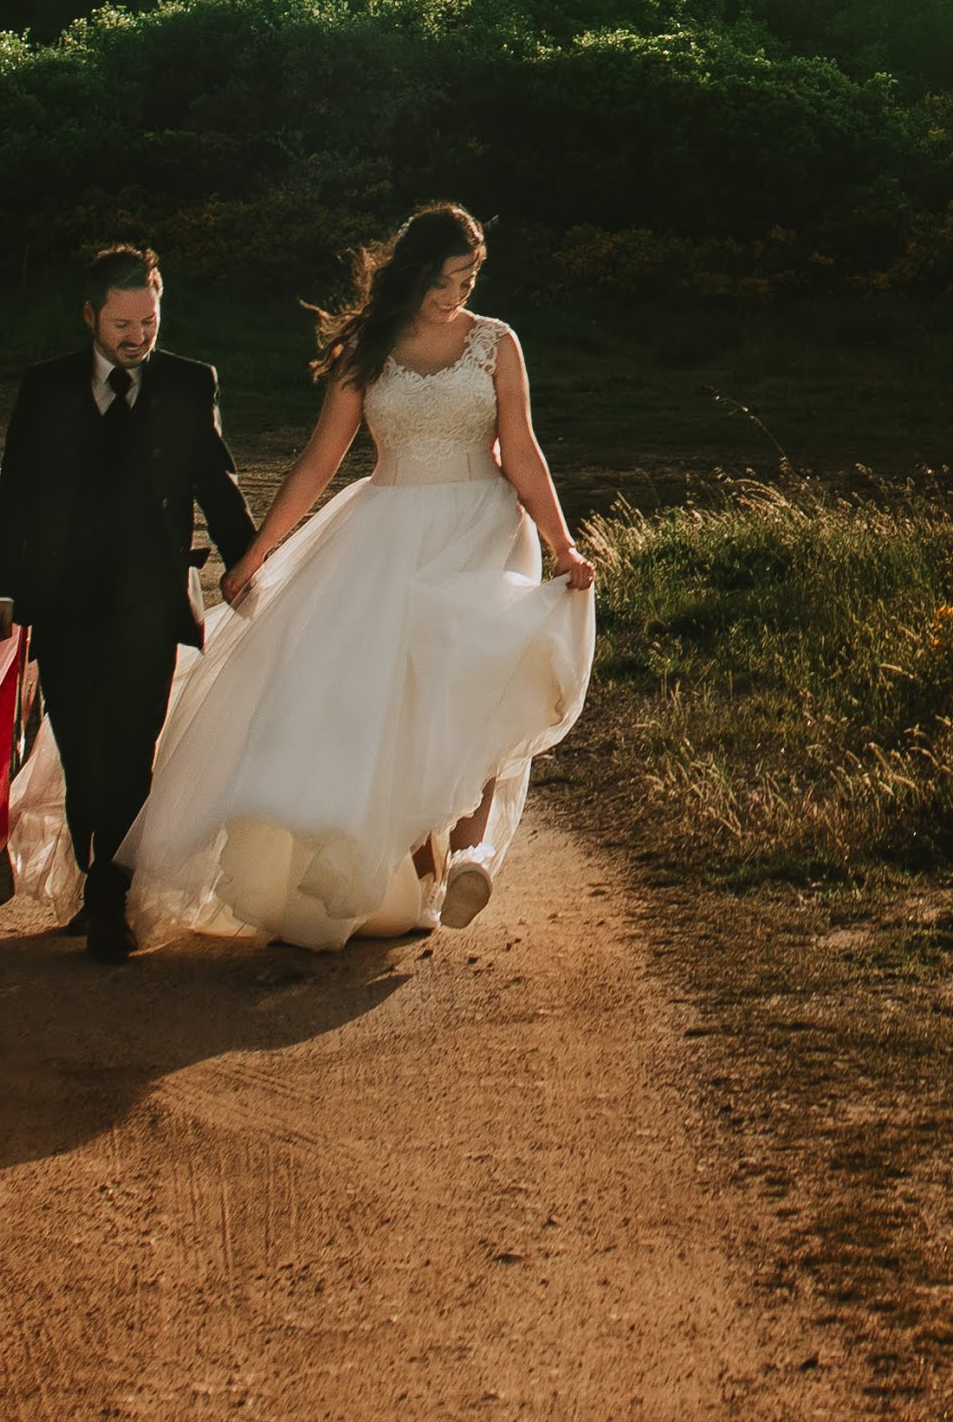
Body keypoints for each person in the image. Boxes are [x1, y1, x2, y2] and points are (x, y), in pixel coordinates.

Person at [110, 203, 596, 953]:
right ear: (413, 271)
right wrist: (256, 553)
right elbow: (318, 460)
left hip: (484, 528)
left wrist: (564, 544)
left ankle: (468, 855)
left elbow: (522, 450)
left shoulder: (497, 343)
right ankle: (419, 866)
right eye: (443, 280)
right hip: (389, 531)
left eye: (468, 278)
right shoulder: (369, 348)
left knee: (478, 674)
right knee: (386, 703)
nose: (455, 294)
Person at [0, 242, 260, 958]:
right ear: (90, 316)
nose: (138, 337)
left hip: (148, 598)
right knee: (83, 751)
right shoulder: (45, 389)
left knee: (131, 751)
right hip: (65, 600)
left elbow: (217, 488)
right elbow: (20, 498)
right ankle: (97, 866)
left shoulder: (191, 384)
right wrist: (1, 584)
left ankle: (109, 894)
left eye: (149, 321)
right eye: (123, 325)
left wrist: (251, 565)